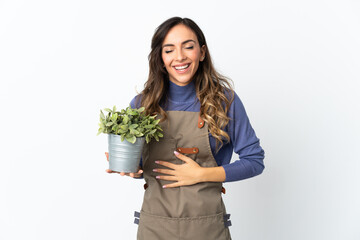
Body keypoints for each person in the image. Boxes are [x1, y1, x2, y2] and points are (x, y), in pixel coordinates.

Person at [105, 17, 265, 240]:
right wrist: (131, 169)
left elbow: (254, 161)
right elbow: (143, 168)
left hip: (207, 227)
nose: (179, 57)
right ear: (160, 58)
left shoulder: (224, 101)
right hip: (155, 227)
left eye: (188, 47)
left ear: (201, 52)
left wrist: (201, 174)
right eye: (169, 50)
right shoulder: (142, 104)